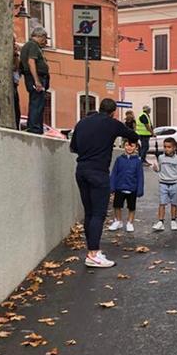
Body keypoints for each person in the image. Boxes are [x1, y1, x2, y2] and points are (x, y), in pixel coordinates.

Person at [69, 98, 138, 268]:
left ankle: (92, 252)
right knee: (98, 214)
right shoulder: (112, 123)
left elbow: (73, 147)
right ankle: (93, 253)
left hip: (81, 170)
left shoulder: (82, 123)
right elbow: (133, 135)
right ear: (113, 112)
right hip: (98, 172)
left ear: (99, 108)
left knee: (89, 212)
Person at [108, 139, 145, 233]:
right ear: (124, 146)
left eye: (132, 145)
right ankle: (118, 220)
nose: (129, 147)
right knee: (117, 205)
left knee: (131, 207)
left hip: (132, 188)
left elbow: (140, 176)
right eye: (127, 145)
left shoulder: (137, 161)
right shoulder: (119, 159)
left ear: (136, 147)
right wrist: (112, 186)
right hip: (119, 187)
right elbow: (114, 173)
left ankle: (130, 222)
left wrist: (140, 189)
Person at [19, 26, 50, 134]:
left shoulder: (32, 46)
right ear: (39, 36)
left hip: (36, 78)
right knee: (37, 103)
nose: (45, 42)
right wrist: (37, 80)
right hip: (35, 78)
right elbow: (31, 62)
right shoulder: (32, 45)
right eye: (44, 38)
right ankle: (34, 128)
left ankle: (37, 127)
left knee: (38, 103)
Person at [152, 138, 177, 231]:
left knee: (174, 203)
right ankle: (160, 222)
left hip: (174, 184)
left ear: (174, 148)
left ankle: (173, 220)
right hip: (163, 183)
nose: (166, 149)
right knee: (162, 203)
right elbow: (159, 169)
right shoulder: (161, 158)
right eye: (165, 147)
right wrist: (155, 169)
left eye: (169, 147)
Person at [12, 36, 21, 130]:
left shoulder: (16, 51)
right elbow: (14, 67)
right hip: (12, 82)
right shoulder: (11, 53)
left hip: (15, 82)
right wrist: (15, 55)